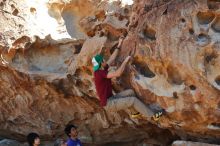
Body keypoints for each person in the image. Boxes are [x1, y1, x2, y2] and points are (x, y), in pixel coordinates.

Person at [92, 37, 163, 121]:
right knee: (132, 100)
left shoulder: (101, 69)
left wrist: (119, 45)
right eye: (103, 60)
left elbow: (112, 59)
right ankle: (153, 115)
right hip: (109, 104)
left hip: (111, 99)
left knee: (130, 92)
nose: (105, 61)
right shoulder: (100, 74)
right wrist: (125, 61)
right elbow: (118, 73)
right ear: (101, 63)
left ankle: (135, 113)